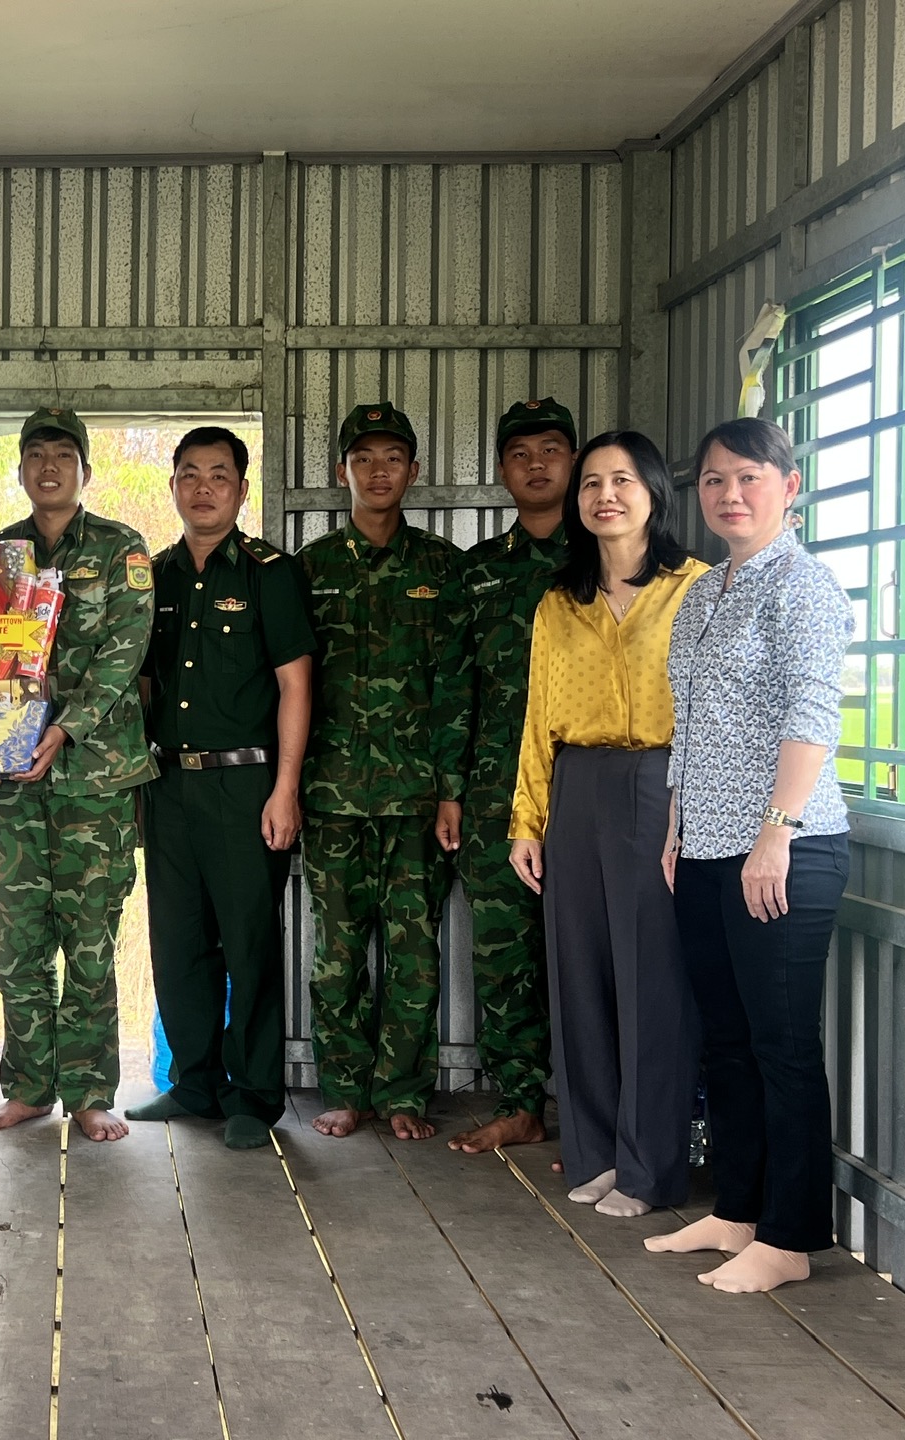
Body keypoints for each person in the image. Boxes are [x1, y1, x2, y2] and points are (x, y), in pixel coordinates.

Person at [646, 417, 853, 1294]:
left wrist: (776, 833)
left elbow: (813, 714)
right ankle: (736, 1210)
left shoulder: (804, 587)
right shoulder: (705, 593)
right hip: (705, 846)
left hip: (784, 851)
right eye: (715, 480)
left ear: (789, 487)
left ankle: (790, 1237)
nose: (730, 494)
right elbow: (690, 722)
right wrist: (675, 827)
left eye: (749, 478)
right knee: (725, 1041)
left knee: (781, 1046)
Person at [506, 431, 707, 1217]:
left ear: (655, 492)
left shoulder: (697, 588)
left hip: (664, 786)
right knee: (579, 975)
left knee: (653, 979)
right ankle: (593, 1153)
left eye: (623, 480)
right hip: (577, 786)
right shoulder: (560, 602)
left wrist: (698, 811)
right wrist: (527, 821)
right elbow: (538, 718)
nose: (605, 495)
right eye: (591, 483)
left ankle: (649, 1167)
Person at [123, 427, 312, 1151]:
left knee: (248, 944)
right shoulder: (154, 577)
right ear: (173, 485)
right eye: (190, 475)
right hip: (169, 783)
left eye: (219, 475)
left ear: (241, 488)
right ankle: (195, 1081)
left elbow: (296, 686)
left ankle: (254, 1096)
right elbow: (143, 684)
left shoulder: (270, 573)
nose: (203, 488)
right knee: (178, 943)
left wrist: (285, 788)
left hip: (246, 784)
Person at [0, 406, 157, 1142]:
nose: (48, 467)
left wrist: (64, 727)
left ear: (84, 469)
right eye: (35, 455)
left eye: (63, 455)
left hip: (95, 782)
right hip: (15, 784)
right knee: (16, 945)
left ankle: (87, 1092)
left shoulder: (120, 548)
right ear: (21, 469)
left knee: (89, 945)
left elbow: (125, 649)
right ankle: (27, 1088)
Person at [298, 401, 473, 1142]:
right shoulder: (310, 569)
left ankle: (403, 1092)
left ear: (414, 471)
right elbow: (289, 687)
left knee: (414, 956)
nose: (378, 471)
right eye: (363, 459)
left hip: (416, 801)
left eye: (392, 458)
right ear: (341, 471)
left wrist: (451, 791)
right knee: (335, 957)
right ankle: (346, 1090)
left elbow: (458, 687)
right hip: (331, 796)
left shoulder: (442, 568)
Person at [447, 398, 575, 1158]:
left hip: (587, 792)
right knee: (503, 957)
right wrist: (451, 790)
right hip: (495, 792)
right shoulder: (479, 573)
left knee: (592, 956)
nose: (536, 464)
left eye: (551, 449)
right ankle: (521, 1103)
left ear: (573, 461)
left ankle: (597, 1117)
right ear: (501, 469)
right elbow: (456, 686)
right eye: (520, 453)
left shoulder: (607, 559)